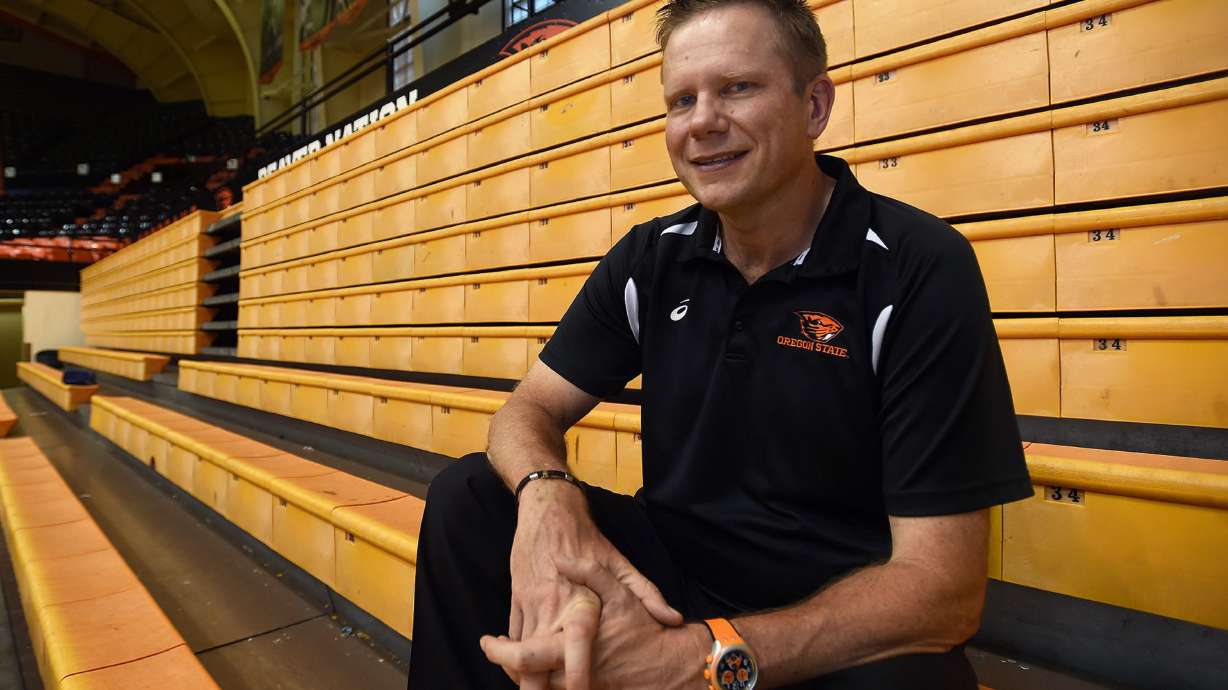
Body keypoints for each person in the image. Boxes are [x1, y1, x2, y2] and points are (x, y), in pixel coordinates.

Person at [407, 0, 1034, 687]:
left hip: (832, 609)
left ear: (814, 106)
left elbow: (943, 590)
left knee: (915, 681)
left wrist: (701, 658)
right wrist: (544, 495)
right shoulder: (654, 257)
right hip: (673, 576)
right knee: (468, 498)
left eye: (738, 87)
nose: (702, 121)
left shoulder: (915, 265)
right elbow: (525, 412)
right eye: (682, 99)